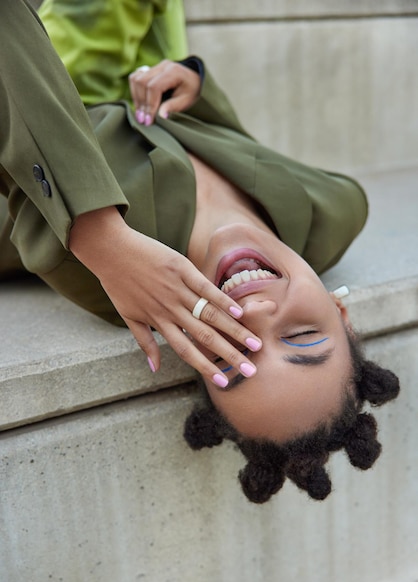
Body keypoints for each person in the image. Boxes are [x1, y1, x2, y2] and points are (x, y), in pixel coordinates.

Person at [0, 0, 399, 504]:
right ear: (341, 313)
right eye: (300, 336)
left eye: (230, 354)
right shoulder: (334, 212)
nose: (254, 312)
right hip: (134, 82)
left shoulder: (99, 267)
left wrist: (98, 234)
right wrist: (195, 83)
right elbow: (232, 143)